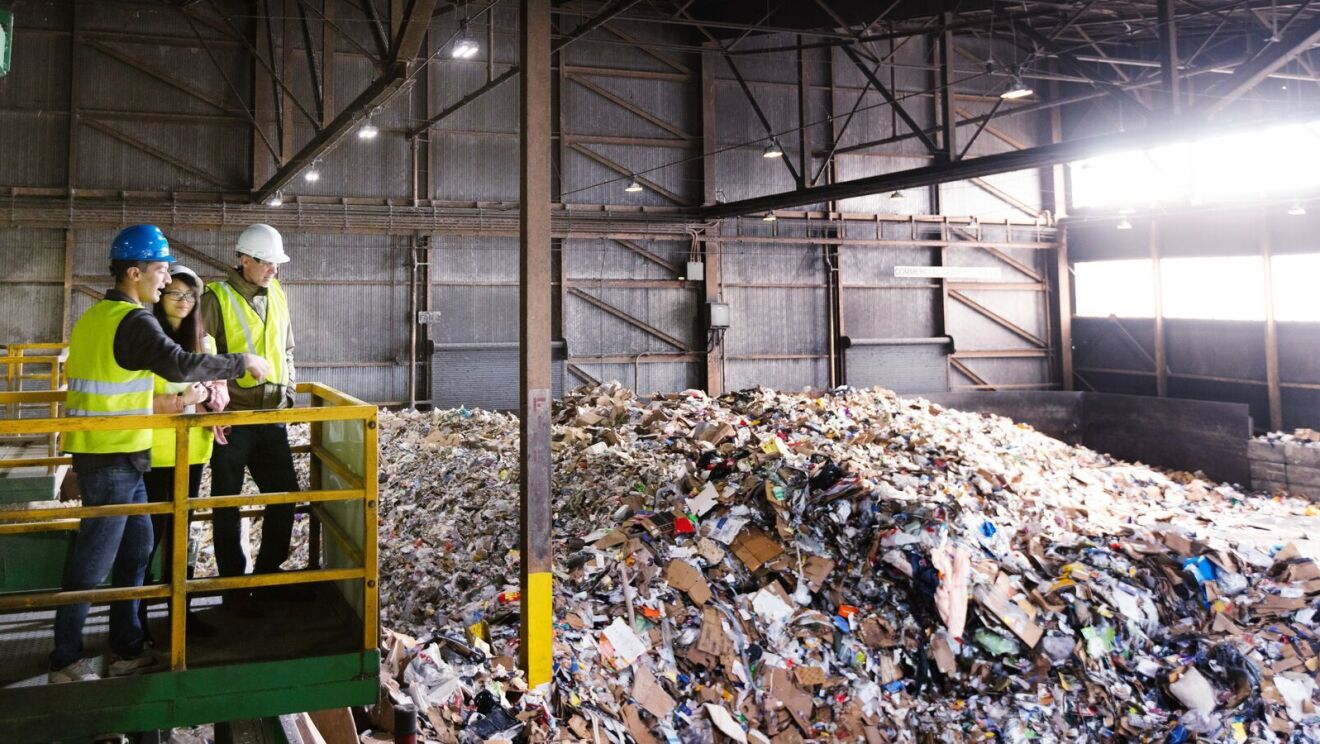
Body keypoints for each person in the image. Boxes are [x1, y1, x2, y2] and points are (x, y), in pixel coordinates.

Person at [53, 225, 272, 684]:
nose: (165, 280)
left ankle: (126, 649)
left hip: (127, 454)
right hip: (110, 458)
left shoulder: (95, 316)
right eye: (159, 270)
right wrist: (242, 362)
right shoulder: (132, 320)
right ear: (134, 272)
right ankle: (65, 660)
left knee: (136, 552)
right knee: (93, 564)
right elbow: (177, 363)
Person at [199, 223, 303, 617]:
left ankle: (268, 576)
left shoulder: (276, 292)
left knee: (284, 496)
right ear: (244, 259)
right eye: (267, 263)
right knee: (227, 503)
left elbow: (288, 348)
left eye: (277, 263)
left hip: (271, 417)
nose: (274, 270)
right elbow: (201, 355)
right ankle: (234, 589)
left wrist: (289, 390)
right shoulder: (216, 299)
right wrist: (212, 407)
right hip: (233, 420)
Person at [137, 265, 227, 642]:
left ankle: (180, 618)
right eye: (175, 293)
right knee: (146, 540)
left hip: (192, 453)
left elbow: (221, 390)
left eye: (190, 296)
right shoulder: (147, 339)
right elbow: (139, 398)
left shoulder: (204, 342)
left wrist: (211, 398)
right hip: (154, 454)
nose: (184, 302)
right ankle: (134, 621)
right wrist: (182, 399)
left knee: (181, 538)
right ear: (161, 296)